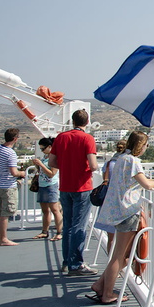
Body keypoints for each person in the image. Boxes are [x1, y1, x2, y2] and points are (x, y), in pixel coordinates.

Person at [90, 131, 154, 304]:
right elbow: (146, 185)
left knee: (122, 255)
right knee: (120, 256)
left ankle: (100, 284)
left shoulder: (121, 159)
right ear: (141, 145)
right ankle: (107, 294)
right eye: (146, 145)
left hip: (119, 210)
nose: (146, 148)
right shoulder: (133, 161)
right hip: (127, 212)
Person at [49, 109, 99, 275]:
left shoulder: (61, 137)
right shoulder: (87, 138)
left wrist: (67, 165)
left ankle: (67, 261)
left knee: (68, 225)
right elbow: (93, 165)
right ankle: (76, 264)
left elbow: (52, 162)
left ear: (72, 121)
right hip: (82, 187)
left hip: (65, 187)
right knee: (79, 226)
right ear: (87, 122)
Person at [94, 140, 127, 252]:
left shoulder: (108, 164)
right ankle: (121, 260)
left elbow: (105, 179)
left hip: (108, 202)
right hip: (122, 202)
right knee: (123, 238)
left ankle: (110, 258)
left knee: (111, 238)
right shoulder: (125, 163)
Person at [32, 137, 63, 241]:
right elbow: (43, 171)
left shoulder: (55, 158)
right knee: (45, 210)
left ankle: (59, 232)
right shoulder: (45, 157)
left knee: (55, 210)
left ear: (50, 147)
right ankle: (44, 231)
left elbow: (52, 174)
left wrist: (41, 164)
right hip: (42, 185)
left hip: (51, 186)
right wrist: (38, 166)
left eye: (43, 148)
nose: (42, 151)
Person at [0, 128, 26, 246]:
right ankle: (3, 239)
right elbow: (14, 172)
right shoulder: (10, 153)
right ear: (15, 139)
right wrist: (22, 173)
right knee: (5, 214)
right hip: (7, 187)